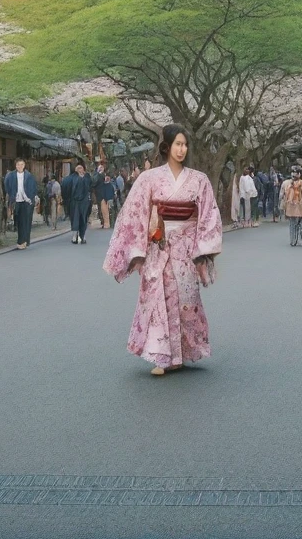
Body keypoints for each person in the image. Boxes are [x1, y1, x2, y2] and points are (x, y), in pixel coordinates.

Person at [103, 124, 223, 376]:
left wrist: (204, 249)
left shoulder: (199, 180)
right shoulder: (149, 178)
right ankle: (162, 356)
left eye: (185, 144)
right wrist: (136, 249)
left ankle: (181, 353)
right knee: (159, 298)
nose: (182, 149)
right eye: (177, 144)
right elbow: (135, 212)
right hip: (159, 246)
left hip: (186, 249)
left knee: (186, 300)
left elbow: (209, 214)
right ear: (167, 147)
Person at [4, 158, 38, 249]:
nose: (20, 166)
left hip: (27, 201)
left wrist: (31, 198)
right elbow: (6, 186)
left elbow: (34, 188)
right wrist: (12, 195)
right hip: (16, 200)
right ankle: (22, 240)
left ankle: (23, 241)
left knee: (26, 221)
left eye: (22, 164)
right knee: (18, 221)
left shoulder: (29, 176)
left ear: (24, 165)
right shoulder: (10, 175)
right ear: (15, 165)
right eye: (18, 164)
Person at [61, 161, 93, 244]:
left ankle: (83, 236)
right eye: (78, 168)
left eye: (81, 168)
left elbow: (90, 187)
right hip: (74, 202)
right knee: (75, 219)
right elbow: (65, 189)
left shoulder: (87, 177)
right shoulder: (70, 178)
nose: (79, 170)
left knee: (83, 219)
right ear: (75, 169)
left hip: (84, 202)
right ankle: (74, 236)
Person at [282, 167, 302, 246]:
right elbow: (287, 195)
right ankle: (294, 240)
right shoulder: (289, 184)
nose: (294, 175)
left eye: (295, 173)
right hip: (293, 206)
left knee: (299, 224)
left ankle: (298, 239)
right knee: (293, 224)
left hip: (299, 206)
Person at [93, 161, 114, 229]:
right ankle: (105, 223)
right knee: (103, 209)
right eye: (100, 167)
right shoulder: (96, 175)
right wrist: (99, 174)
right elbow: (94, 183)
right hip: (101, 195)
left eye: (102, 167)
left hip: (106, 194)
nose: (101, 168)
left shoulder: (105, 174)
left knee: (106, 209)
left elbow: (108, 182)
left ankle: (107, 223)